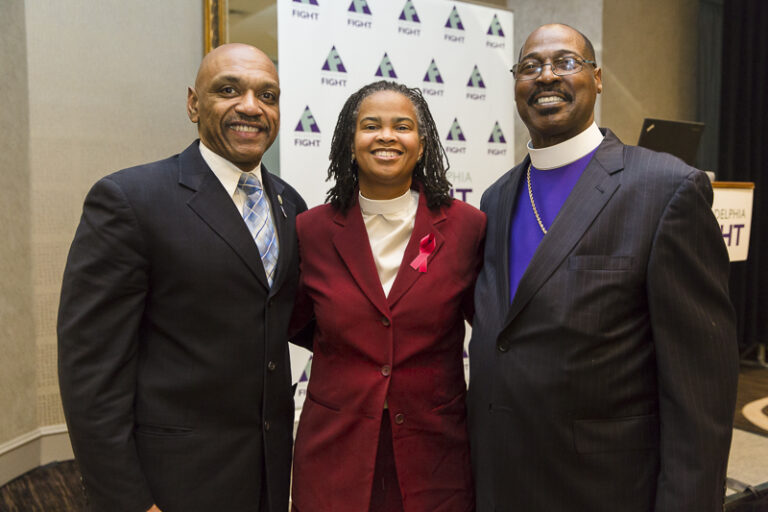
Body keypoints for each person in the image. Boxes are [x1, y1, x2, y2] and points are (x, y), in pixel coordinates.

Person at [467, 23, 739, 512]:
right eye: (530, 67)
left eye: (566, 62)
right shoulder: (497, 198)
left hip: (604, 489)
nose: (546, 76)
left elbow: (700, 397)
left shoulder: (665, 189)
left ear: (597, 79)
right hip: (501, 482)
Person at [57, 43, 306, 512]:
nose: (250, 107)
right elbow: (91, 376)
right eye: (228, 90)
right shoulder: (129, 200)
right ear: (194, 103)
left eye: (267, 95)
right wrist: (129, 502)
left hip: (268, 477)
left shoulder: (290, 204)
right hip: (173, 484)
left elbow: (294, 314)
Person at [289, 80, 485, 512]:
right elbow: (299, 321)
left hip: (435, 461)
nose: (386, 136)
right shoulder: (312, 230)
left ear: (422, 143)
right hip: (333, 461)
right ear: (349, 141)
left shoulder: (466, 228)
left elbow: (491, 326)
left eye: (403, 126)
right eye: (371, 125)